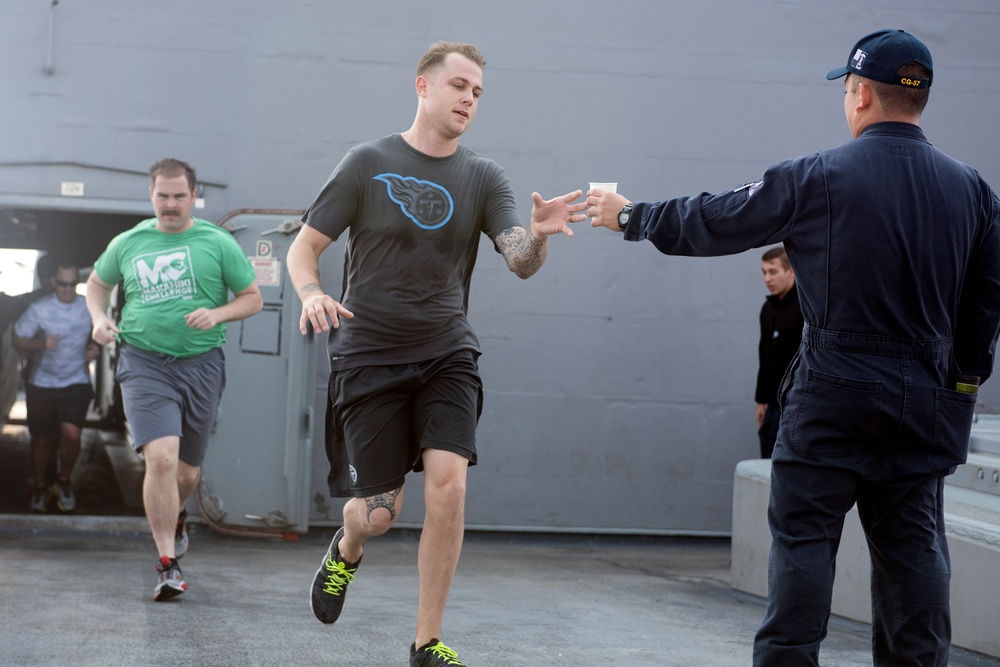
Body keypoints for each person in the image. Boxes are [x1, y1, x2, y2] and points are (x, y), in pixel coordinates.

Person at [588, 29, 1000, 667]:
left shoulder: (821, 175)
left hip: (832, 393)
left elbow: (721, 219)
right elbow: (986, 301)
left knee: (805, 547)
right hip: (926, 400)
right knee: (915, 554)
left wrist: (631, 216)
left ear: (860, 95)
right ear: (919, 100)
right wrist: (964, 383)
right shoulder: (973, 190)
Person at [287, 40, 586, 667]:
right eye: (459, 86)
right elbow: (303, 248)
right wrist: (312, 294)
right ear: (422, 87)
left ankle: (427, 641)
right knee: (378, 515)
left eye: (478, 92)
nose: (469, 100)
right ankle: (347, 548)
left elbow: (520, 261)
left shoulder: (484, 177)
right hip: (368, 355)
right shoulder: (367, 162)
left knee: (450, 486)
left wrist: (539, 235)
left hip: (447, 350)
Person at [86, 158, 262, 602]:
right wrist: (98, 318)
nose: (170, 204)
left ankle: (176, 515)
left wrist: (217, 313)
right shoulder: (129, 242)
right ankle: (167, 563)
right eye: (162, 195)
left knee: (187, 472)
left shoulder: (217, 242)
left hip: (201, 365)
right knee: (161, 459)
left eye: (179, 195)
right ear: (151, 195)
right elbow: (97, 284)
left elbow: (252, 298)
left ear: (193, 196)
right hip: (143, 361)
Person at [12, 263, 98, 512]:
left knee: (72, 435)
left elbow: (102, 332)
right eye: (63, 284)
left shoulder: (87, 306)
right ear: (53, 283)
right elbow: (16, 341)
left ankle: (64, 481)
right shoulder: (39, 309)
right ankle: (40, 487)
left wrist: (95, 346)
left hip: (76, 381)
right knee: (42, 440)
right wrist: (41, 343)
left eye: (73, 284)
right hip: (43, 384)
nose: (68, 289)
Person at [754, 246, 802, 459]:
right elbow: (764, 357)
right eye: (764, 272)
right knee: (767, 455)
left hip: (796, 403)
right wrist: (761, 400)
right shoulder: (768, 308)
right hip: (772, 403)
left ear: (790, 271)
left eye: (773, 272)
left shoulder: (805, 308)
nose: (767, 278)